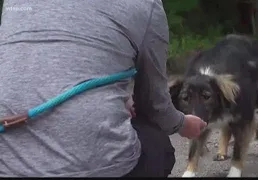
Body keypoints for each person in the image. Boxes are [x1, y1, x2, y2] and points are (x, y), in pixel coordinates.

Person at [0, 0, 207, 177]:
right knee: (159, 149)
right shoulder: (146, 5)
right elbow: (153, 104)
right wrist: (181, 124)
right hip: (92, 163)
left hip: (7, 159)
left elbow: (37, 64)